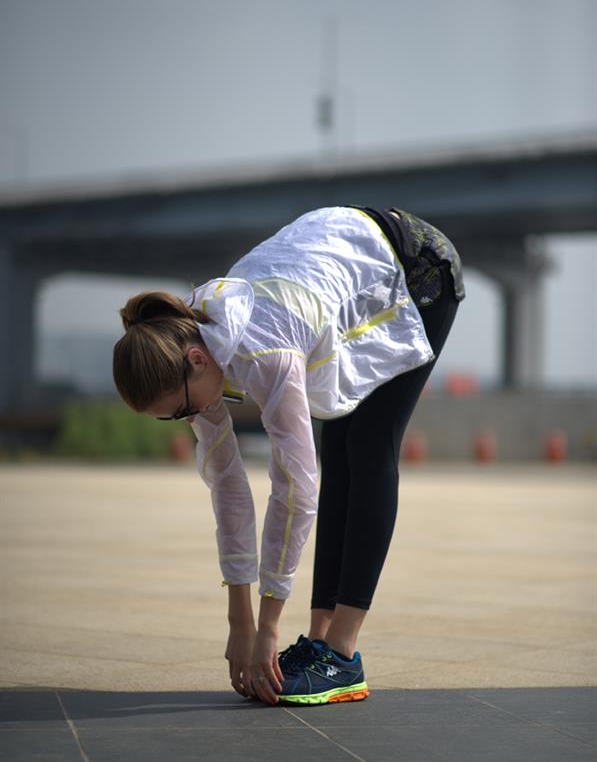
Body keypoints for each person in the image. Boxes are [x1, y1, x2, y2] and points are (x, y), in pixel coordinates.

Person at [112, 205, 464, 706]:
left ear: (195, 362)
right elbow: (229, 487)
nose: (187, 418)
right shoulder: (186, 344)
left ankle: (341, 654)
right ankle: (320, 642)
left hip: (415, 268)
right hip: (341, 275)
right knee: (335, 443)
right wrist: (241, 621)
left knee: (366, 446)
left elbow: (296, 489)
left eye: (181, 410)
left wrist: (269, 628)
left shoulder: (262, 353)